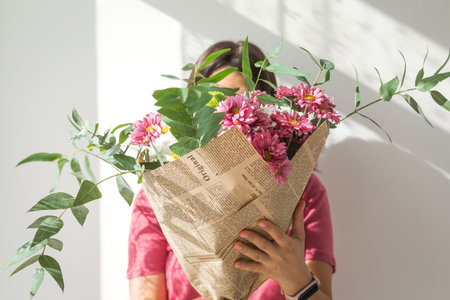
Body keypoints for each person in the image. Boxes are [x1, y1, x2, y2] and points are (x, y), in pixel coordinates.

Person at [127, 41, 336, 300]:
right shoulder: (159, 196)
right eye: (216, 102)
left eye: (242, 103)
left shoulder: (304, 191)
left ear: (267, 110)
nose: (229, 117)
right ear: (191, 112)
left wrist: (296, 278)